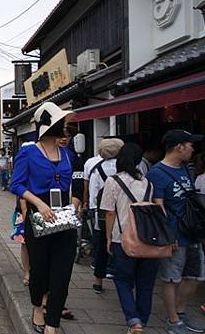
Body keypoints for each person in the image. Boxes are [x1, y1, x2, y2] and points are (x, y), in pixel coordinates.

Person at [10, 102, 80, 334]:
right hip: (38, 218)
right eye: (64, 123)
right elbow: (16, 184)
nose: (68, 128)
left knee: (62, 273)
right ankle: (37, 306)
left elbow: (74, 184)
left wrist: (75, 204)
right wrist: (38, 204)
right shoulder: (28, 152)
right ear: (51, 125)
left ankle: (52, 324)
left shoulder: (68, 155)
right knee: (40, 270)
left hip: (64, 221)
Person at [147, 130, 205, 334]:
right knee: (171, 278)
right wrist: (167, 236)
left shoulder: (188, 170)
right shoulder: (156, 173)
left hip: (193, 232)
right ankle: (173, 320)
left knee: (195, 276)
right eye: (190, 145)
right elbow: (158, 206)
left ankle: (180, 312)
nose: (193, 149)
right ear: (179, 147)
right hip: (174, 235)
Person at [100, 143, 159, 334]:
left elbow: (109, 213)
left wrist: (108, 237)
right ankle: (142, 319)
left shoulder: (113, 181)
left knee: (123, 280)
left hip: (123, 239)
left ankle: (134, 322)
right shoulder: (148, 183)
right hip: (148, 239)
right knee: (146, 283)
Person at [88, 138, 124, 294]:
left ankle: (98, 281)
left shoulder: (97, 169)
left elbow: (93, 195)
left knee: (101, 247)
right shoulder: (124, 168)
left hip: (102, 214)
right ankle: (120, 276)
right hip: (122, 213)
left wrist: (93, 211)